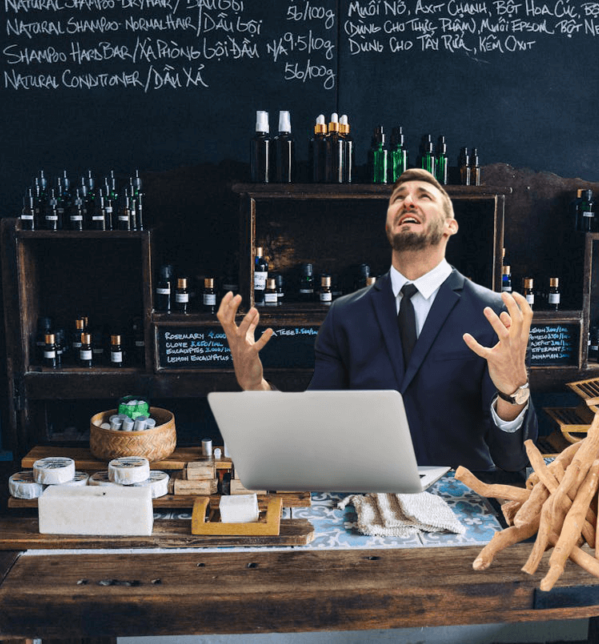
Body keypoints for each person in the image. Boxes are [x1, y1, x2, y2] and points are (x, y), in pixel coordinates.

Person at [217, 168, 536, 479]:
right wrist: (254, 384)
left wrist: (513, 389)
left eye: (423, 196)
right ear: (388, 225)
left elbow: (513, 459)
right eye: (398, 198)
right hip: (369, 495)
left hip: (463, 502)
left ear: (449, 225)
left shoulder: (492, 312)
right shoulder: (345, 314)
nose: (408, 202)